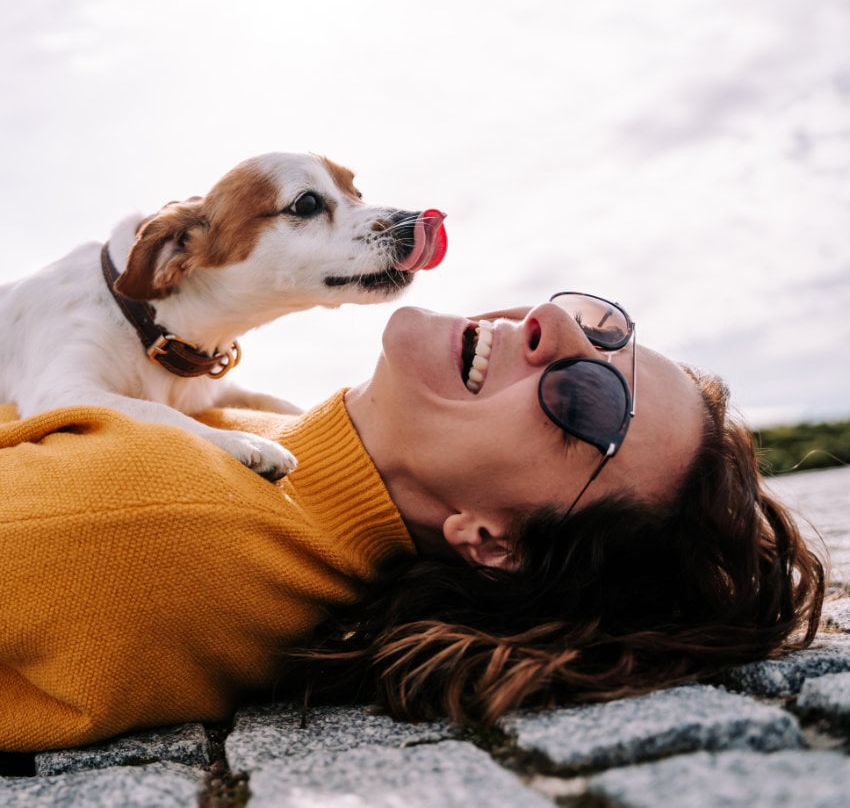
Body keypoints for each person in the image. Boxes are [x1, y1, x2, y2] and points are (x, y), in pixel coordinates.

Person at [0, 292, 824, 751]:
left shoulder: (145, 515)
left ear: (490, 540)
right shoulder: (272, 452)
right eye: (605, 330)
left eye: (585, 401)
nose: (556, 325)